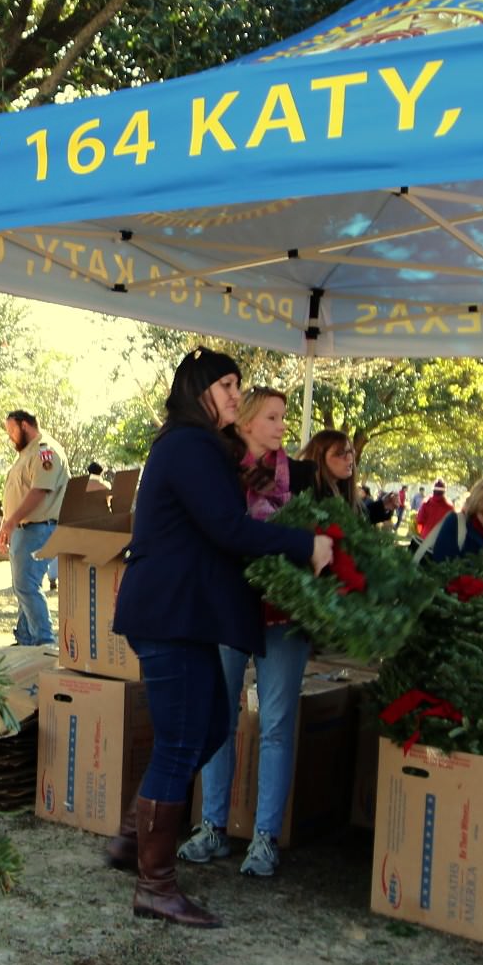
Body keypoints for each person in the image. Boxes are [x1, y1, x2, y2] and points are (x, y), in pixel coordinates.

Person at [109, 351, 328, 927]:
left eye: (238, 385)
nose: (236, 394)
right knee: (184, 740)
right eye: (226, 385)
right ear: (197, 389)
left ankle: (134, 836)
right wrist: (304, 546)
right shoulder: (186, 444)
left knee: (205, 727)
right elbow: (227, 530)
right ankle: (154, 885)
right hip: (171, 613)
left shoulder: (199, 445)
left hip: (186, 614)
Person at [183, 400, 327, 879]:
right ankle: (212, 827)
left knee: (277, 724)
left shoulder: (304, 475)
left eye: (285, 417)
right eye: (272, 416)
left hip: (285, 615)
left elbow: (327, 533)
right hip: (229, 608)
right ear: (245, 423)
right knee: (218, 717)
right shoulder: (221, 469)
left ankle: (265, 838)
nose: (283, 425)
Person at [0, 410, 67, 648]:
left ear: (24, 425)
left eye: (12, 430)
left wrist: (12, 521)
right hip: (25, 528)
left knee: (26, 585)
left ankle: (43, 641)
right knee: (22, 586)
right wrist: (9, 522)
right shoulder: (28, 453)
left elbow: (39, 490)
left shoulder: (45, 450)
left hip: (38, 528)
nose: (10, 437)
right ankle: (26, 638)